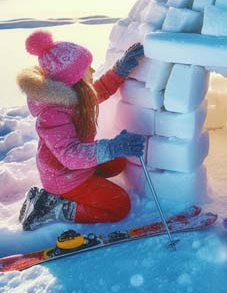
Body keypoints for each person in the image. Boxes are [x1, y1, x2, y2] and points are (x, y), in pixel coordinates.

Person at [16, 30, 146, 231]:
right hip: (64, 178)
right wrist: (111, 147)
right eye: (87, 69)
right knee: (119, 204)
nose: (93, 70)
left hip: (76, 169)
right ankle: (55, 207)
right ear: (73, 79)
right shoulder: (53, 114)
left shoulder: (72, 97)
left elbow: (97, 92)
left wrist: (118, 71)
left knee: (118, 162)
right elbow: (70, 155)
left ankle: (86, 187)